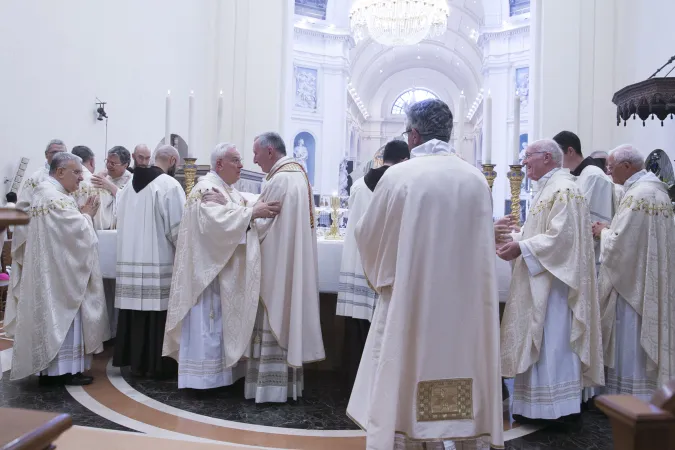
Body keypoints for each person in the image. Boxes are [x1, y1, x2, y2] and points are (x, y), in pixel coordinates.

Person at [348, 99, 504, 450]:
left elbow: (369, 235)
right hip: (464, 311)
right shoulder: (476, 179)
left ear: (414, 134)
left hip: (413, 302)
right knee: (460, 363)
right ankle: (458, 434)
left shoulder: (400, 176)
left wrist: (385, 276)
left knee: (405, 370)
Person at [498, 139, 604, 424]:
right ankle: (534, 407)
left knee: (552, 343)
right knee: (541, 342)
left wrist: (522, 247)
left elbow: (562, 238)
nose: (524, 163)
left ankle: (555, 410)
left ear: (547, 157)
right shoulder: (550, 187)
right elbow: (544, 232)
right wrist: (519, 238)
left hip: (556, 287)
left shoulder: (565, 188)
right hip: (542, 277)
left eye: (527, 156)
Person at [163, 143, 280, 389]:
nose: (241, 165)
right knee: (208, 323)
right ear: (219, 164)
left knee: (218, 325)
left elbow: (238, 208)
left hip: (219, 270)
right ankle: (204, 381)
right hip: (207, 276)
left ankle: (222, 377)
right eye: (236, 160)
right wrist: (250, 214)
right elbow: (213, 225)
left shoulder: (226, 189)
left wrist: (248, 211)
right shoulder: (206, 187)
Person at [7, 153, 109, 385]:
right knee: (64, 319)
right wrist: (86, 216)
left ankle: (52, 370)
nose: (81, 178)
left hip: (51, 271)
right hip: (61, 276)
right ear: (60, 171)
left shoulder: (46, 193)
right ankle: (62, 371)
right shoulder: (55, 198)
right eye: (77, 172)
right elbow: (76, 233)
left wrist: (80, 213)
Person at [592, 144, 675, 401]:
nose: (608, 171)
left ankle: (629, 399)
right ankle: (651, 394)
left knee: (631, 338)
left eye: (611, 165)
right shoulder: (656, 192)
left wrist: (602, 232)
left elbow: (621, 245)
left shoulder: (639, 195)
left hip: (633, 287)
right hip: (651, 279)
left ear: (627, 166)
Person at [250, 132, 325, 402]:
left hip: (275, 267)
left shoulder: (280, 179)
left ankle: (269, 390)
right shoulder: (298, 175)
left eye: (256, 152)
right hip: (287, 262)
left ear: (270, 152)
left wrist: (237, 214)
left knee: (274, 315)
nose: (253, 158)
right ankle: (286, 387)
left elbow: (259, 224)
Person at [337, 139, 409, 387]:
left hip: (358, 263)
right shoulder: (402, 183)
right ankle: (383, 387)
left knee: (357, 330)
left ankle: (351, 385)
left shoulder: (358, 185)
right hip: (389, 267)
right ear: (404, 160)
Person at [113, 145, 185, 378]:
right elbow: (178, 230)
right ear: (173, 160)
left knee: (135, 313)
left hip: (130, 260)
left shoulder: (125, 188)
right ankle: (157, 365)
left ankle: (135, 362)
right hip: (158, 261)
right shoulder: (169, 185)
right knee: (156, 313)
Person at [554, 131, 615, 403]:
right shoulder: (581, 175)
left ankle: (586, 388)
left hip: (589, 260)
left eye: (557, 155)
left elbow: (587, 223)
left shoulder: (593, 176)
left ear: (568, 151)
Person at [90, 146, 132, 339]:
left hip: (123, 238)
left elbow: (130, 202)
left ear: (125, 164)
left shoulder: (131, 180)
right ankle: (105, 329)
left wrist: (109, 186)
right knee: (103, 285)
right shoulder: (102, 176)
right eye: (107, 161)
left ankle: (119, 330)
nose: (109, 165)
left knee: (119, 287)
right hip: (103, 235)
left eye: (113, 163)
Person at [16, 139, 67, 211]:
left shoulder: (71, 176)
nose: (58, 155)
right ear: (46, 154)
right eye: (54, 152)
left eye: (62, 153)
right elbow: (22, 206)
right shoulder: (36, 178)